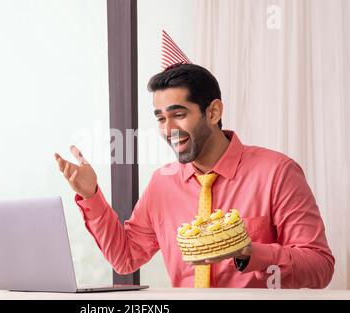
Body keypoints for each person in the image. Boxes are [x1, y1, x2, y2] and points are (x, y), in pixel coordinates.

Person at [55, 62, 334, 288]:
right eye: (161, 118)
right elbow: (125, 258)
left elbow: (320, 267)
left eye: (178, 114)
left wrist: (250, 253)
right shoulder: (162, 184)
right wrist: (91, 195)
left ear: (213, 112)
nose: (168, 129)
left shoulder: (277, 172)